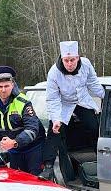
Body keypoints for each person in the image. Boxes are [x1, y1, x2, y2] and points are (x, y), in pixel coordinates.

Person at [39, 41, 104, 180]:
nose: (69, 63)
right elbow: (53, 99)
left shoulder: (86, 64)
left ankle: (101, 161)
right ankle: (48, 167)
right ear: (62, 59)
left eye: (72, 60)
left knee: (94, 126)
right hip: (63, 103)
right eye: (66, 60)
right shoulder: (54, 73)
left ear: (78, 58)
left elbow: (93, 83)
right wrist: (56, 119)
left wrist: (105, 95)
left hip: (82, 100)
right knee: (54, 131)